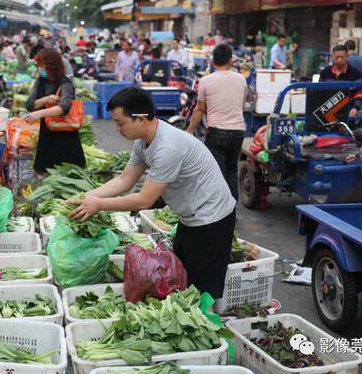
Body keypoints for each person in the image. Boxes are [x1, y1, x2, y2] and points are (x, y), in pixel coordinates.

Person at [69, 87, 236, 302]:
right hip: (191, 217)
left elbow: (144, 200)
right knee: (183, 282)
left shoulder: (168, 147)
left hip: (212, 220)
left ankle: (212, 327)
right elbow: (124, 180)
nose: (117, 129)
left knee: (203, 293)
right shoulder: (143, 141)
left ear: (140, 118)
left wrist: (99, 204)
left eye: (120, 123)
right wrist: (87, 197)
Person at [187, 44, 247, 200]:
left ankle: (220, 212)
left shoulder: (206, 81)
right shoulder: (241, 79)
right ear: (231, 61)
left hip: (216, 132)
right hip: (238, 132)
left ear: (213, 62)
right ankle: (232, 208)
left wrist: (190, 130)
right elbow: (240, 105)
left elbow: (200, 109)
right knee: (232, 171)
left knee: (216, 173)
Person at [24, 48, 86, 174]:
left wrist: (40, 113)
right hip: (47, 135)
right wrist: (45, 99)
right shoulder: (41, 81)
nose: (39, 68)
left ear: (51, 66)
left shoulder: (65, 82)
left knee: (67, 175)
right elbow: (30, 105)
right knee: (44, 173)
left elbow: (64, 107)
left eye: (41, 65)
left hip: (65, 136)